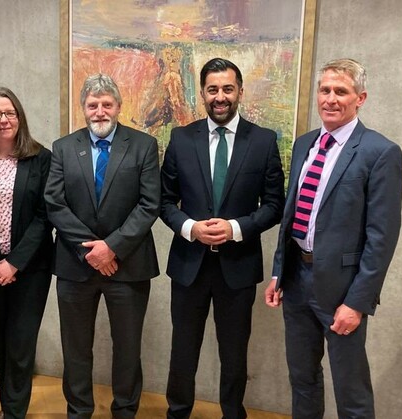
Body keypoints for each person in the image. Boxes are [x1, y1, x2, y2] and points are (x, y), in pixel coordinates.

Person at [264, 58, 402, 418]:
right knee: (302, 379)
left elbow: (382, 237)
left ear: (360, 98)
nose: (330, 98)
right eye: (324, 90)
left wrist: (357, 302)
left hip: (341, 289)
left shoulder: (379, 152)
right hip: (296, 282)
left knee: (351, 389)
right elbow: (292, 215)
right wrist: (279, 271)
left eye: (341, 91)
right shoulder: (305, 144)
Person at [160, 57, 285, 419]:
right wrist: (190, 227)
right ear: (202, 93)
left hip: (238, 266)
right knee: (182, 350)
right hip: (188, 266)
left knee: (234, 354)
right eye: (212, 89)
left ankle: (233, 413)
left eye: (228, 89)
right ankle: (177, 412)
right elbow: (164, 201)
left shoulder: (262, 141)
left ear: (240, 92)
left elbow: (275, 204)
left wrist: (235, 228)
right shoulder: (181, 138)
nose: (220, 96)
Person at [44, 74, 160, 419]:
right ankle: (78, 411)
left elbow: (149, 204)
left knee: (127, 348)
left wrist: (112, 248)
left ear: (119, 107)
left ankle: (125, 410)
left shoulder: (143, 145)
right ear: (83, 108)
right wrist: (90, 251)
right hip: (74, 267)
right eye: (92, 105)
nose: (99, 111)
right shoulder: (64, 147)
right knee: (76, 348)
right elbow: (55, 203)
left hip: (129, 265)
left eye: (106, 104)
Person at [0, 87, 53, 419]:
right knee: (2, 340)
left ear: (19, 117)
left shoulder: (40, 157)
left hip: (30, 268)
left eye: (10, 113)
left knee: (20, 344)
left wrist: (14, 263)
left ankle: (14, 413)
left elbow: (45, 217)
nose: (4, 120)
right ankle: (7, 409)